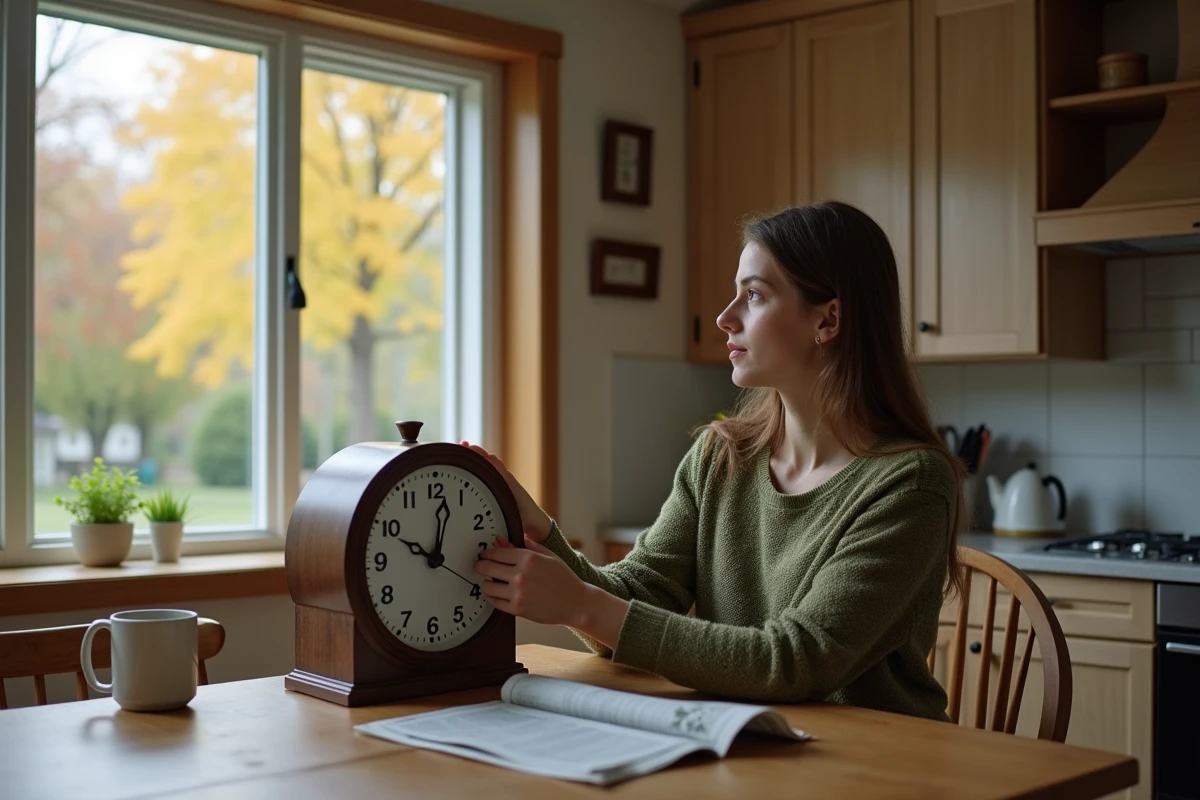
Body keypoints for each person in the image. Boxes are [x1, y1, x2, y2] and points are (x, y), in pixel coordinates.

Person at [467, 201, 966, 722]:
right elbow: (636, 605)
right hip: (747, 748)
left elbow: (793, 662)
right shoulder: (721, 456)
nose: (726, 318)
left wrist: (579, 604)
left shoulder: (910, 485)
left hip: (879, 767)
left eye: (754, 294)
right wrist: (539, 527)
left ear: (828, 319)